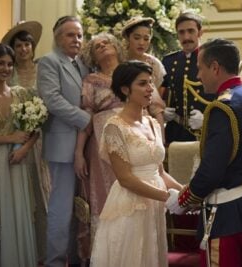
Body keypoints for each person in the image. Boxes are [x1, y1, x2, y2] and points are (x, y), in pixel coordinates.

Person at [167, 38, 242, 267]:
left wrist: (184, 199)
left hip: (227, 213)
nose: (198, 76)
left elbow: (212, 170)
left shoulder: (222, 107)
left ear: (215, 67)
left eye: (200, 68)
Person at [90, 60, 183, 266]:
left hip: (155, 205)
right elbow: (125, 179)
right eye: (142, 83)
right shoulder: (114, 127)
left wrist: (184, 192)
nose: (150, 89)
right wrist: (167, 197)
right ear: (125, 89)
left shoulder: (153, 123)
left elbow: (160, 172)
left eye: (150, 82)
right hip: (131, 204)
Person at [37, 16, 91, 267]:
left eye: (79, 35)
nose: (76, 40)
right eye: (70, 35)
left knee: (78, 209)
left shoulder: (81, 65)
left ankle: (76, 257)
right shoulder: (49, 61)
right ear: (58, 37)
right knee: (61, 209)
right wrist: (85, 119)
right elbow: (52, 99)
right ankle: (55, 262)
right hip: (62, 145)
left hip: (84, 146)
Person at [1, 20, 50, 264]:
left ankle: (42, 251)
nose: (23, 50)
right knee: (21, 196)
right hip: (15, 141)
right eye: (18, 45)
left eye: (27, 45)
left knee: (42, 195)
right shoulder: (10, 74)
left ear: (32, 47)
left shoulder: (44, 68)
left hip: (41, 140)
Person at [74, 32, 125, 262]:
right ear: (92, 56)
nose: (103, 46)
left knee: (130, 193)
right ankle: (106, 257)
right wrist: (78, 153)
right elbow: (87, 116)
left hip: (132, 140)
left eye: (106, 43)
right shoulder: (91, 80)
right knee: (105, 196)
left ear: (116, 47)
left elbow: (153, 107)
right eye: (97, 46)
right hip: (101, 145)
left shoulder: (133, 71)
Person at [0, 43, 38, 267]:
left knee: (17, 215)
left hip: (16, 163)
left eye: (9, 64)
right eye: (0, 63)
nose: (6, 68)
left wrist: (24, 149)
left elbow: (35, 128)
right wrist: (11, 139)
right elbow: (15, 134)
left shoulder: (20, 93)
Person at [162, 11, 213, 144]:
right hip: (176, 131)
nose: (186, 37)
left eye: (191, 31)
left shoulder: (213, 58)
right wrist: (163, 110)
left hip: (206, 131)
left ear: (200, 32)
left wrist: (208, 119)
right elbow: (161, 94)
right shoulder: (168, 61)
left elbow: (225, 94)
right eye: (181, 32)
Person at [121, 16, 166, 141]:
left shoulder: (155, 65)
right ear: (127, 38)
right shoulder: (118, 61)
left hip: (146, 119)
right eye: (137, 38)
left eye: (146, 39)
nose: (141, 43)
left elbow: (156, 98)